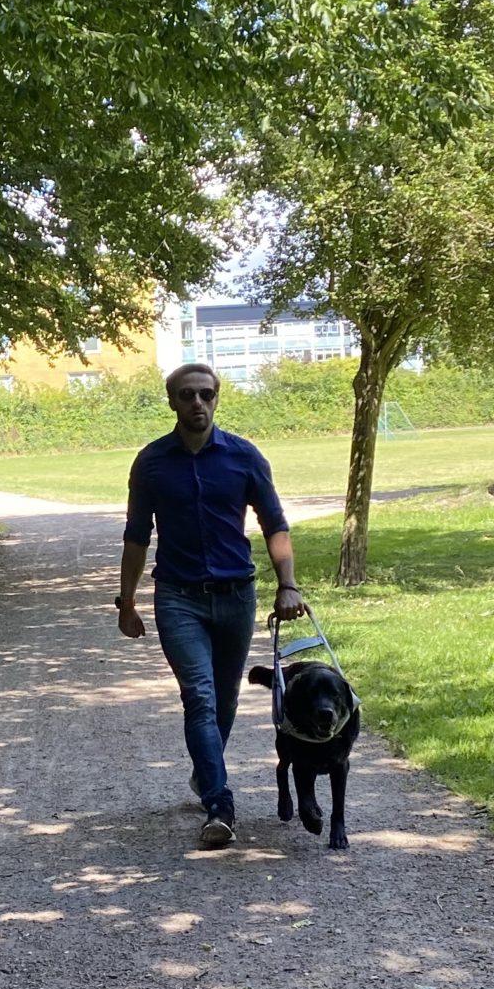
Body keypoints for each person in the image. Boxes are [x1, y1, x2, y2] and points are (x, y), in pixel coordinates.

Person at [117, 363, 306, 849]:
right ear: (172, 402)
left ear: (217, 398)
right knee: (198, 696)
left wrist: (288, 585)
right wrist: (127, 601)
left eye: (206, 394)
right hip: (178, 598)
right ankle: (220, 804)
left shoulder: (244, 457)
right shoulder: (152, 462)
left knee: (224, 700)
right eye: (187, 395)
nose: (197, 403)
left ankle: (206, 773)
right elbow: (137, 536)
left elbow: (274, 525)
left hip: (236, 597)